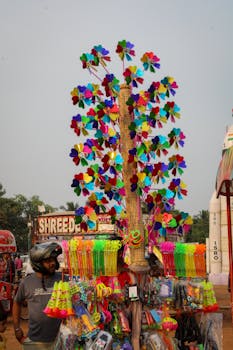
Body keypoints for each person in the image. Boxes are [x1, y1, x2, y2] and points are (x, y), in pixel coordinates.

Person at [12, 242, 63, 349]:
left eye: (54, 260)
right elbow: (17, 303)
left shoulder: (63, 279)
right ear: (38, 263)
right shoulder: (26, 282)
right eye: (48, 261)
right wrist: (17, 328)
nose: (53, 263)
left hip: (61, 340)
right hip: (34, 341)